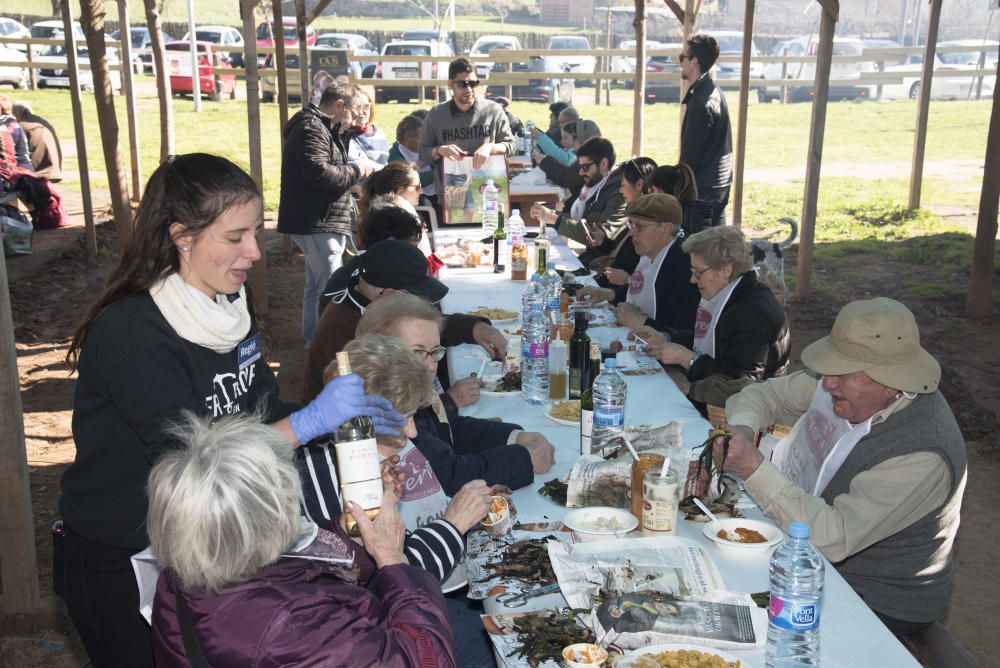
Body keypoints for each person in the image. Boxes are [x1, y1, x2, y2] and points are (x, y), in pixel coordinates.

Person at [59, 154, 405, 668]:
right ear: (182, 236)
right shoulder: (134, 333)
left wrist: (338, 425)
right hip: (125, 553)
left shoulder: (227, 310)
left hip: (208, 546)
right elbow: (196, 464)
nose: (254, 253)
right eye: (235, 236)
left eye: (256, 233)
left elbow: (259, 410)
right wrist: (310, 422)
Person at [714, 297, 966, 636]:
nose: (828, 383)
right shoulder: (842, 384)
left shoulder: (922, 452)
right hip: (806, 552)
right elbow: (763, 396)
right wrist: (743, 429)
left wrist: (754, 468)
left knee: (727, 620)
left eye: (844, 373)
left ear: (891, 382)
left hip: (876, 600)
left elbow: (833, 538)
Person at [147, 411, 456, 667]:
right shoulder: (285, 628)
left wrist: (362, 527)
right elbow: (427, 659)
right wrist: (392, 558)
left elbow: (304, 567)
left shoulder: (194, 565)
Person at [301, 334, 501, 665]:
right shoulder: (331, 481)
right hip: (363, 637)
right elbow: (395, 581)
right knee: (489, 639)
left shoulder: (353, 460)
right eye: (403, 418)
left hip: (368, 620)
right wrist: (453, 524)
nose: (411, 432)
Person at [357, 293, 556, 494]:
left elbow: (448, 431)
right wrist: (524, 459)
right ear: (380, 355)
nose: (430, 365)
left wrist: (514, 437)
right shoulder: (384, 412)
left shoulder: (407, 391)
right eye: (417, 352)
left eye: (435, 351)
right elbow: (451, 476)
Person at [306, 239, 507, 408]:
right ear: (387, 294)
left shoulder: (374, 303)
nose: (426, 302)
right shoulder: (346, 334)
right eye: (418, 295)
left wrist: (476, 329)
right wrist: (448, 402)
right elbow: (385, 413)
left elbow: (423, 331)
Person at [634, 225, 789, 412]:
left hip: (746, 414)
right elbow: (710, 337)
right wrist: (666, 337)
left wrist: (688, 359)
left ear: (725, 270)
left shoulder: (751, 312)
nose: (692, 280)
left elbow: (741, 382)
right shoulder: (732, 291)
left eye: (698, 272)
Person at [278, 81, 372, 347]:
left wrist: (344, 134)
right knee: (330, 290)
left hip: (319, 219)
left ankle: (313, 342)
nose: (354, 119)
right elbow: (319, 172)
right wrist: (357, 170)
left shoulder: (322, 127)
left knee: (314, 288)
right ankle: (326, 348)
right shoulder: (312, 128)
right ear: (340, 105)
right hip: (318, 220)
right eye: (353, 113)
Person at [578, 193, 700, 336]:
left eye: (639, 226)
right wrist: (608, 293)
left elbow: (686, 332)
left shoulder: (685, 265)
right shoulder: (652, 250)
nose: (631, 232)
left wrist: (643, 322)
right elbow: (641, 287)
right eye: (630, 224)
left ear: (666, 228)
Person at [418, 57, 516, 197]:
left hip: (488, 192)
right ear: (450, 84)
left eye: (473, 83)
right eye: (462, 84)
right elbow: (423, 152)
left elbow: (511, 145)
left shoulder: (493, 110)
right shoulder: (436, 114)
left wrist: (490, 147)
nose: (469, 89)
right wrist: (439, 150)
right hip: (451, 194)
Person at [531, 137, 627, 267]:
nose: (581, 172)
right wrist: (551, 215)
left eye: (585, 167)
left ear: (603, 164)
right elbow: (583, 220)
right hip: (591, 259)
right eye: (579, 167)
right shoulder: (598, 185)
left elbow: (599, 237)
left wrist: (554, 218)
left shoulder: (619, 192)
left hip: (604, 267)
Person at [679, 34, 733, 226]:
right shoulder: (710, 91)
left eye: (682, 58)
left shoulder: (703, 101)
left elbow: (691, 155)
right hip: (716, 186)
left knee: (700, 250)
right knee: (715, 248)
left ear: (694, 62)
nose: (681, 63)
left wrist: (678, 187)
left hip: (704, 190)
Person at [592, 156, 657, 290]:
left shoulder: (650, 227)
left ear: (639, 184)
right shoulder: (634, 217)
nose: (621, 190)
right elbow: (620, 253)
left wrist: (627, 280)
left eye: (623, 185)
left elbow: (645, 280)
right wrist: (603, 242)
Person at [650, 162, 713, 236]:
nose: (650, 195)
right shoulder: (700, 211)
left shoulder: (662, 217)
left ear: (661, 191)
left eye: (652, 190)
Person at [388, 114, 436, 204]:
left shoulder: (426, 148)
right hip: (416, 197)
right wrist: (440, 173)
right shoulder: (396, 157)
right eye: (420, 138)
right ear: (407, 138)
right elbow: (413, 180)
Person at [12, 100, 62, 182]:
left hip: (39, 171)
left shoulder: (20, 126)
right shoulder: (41, 121)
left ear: (15, 113)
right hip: (54, 168)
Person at [346, 85, 390, 166]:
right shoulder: (342, 134)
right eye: (357, 107)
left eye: (366, 106)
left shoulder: (380, 134)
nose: (362, 111)